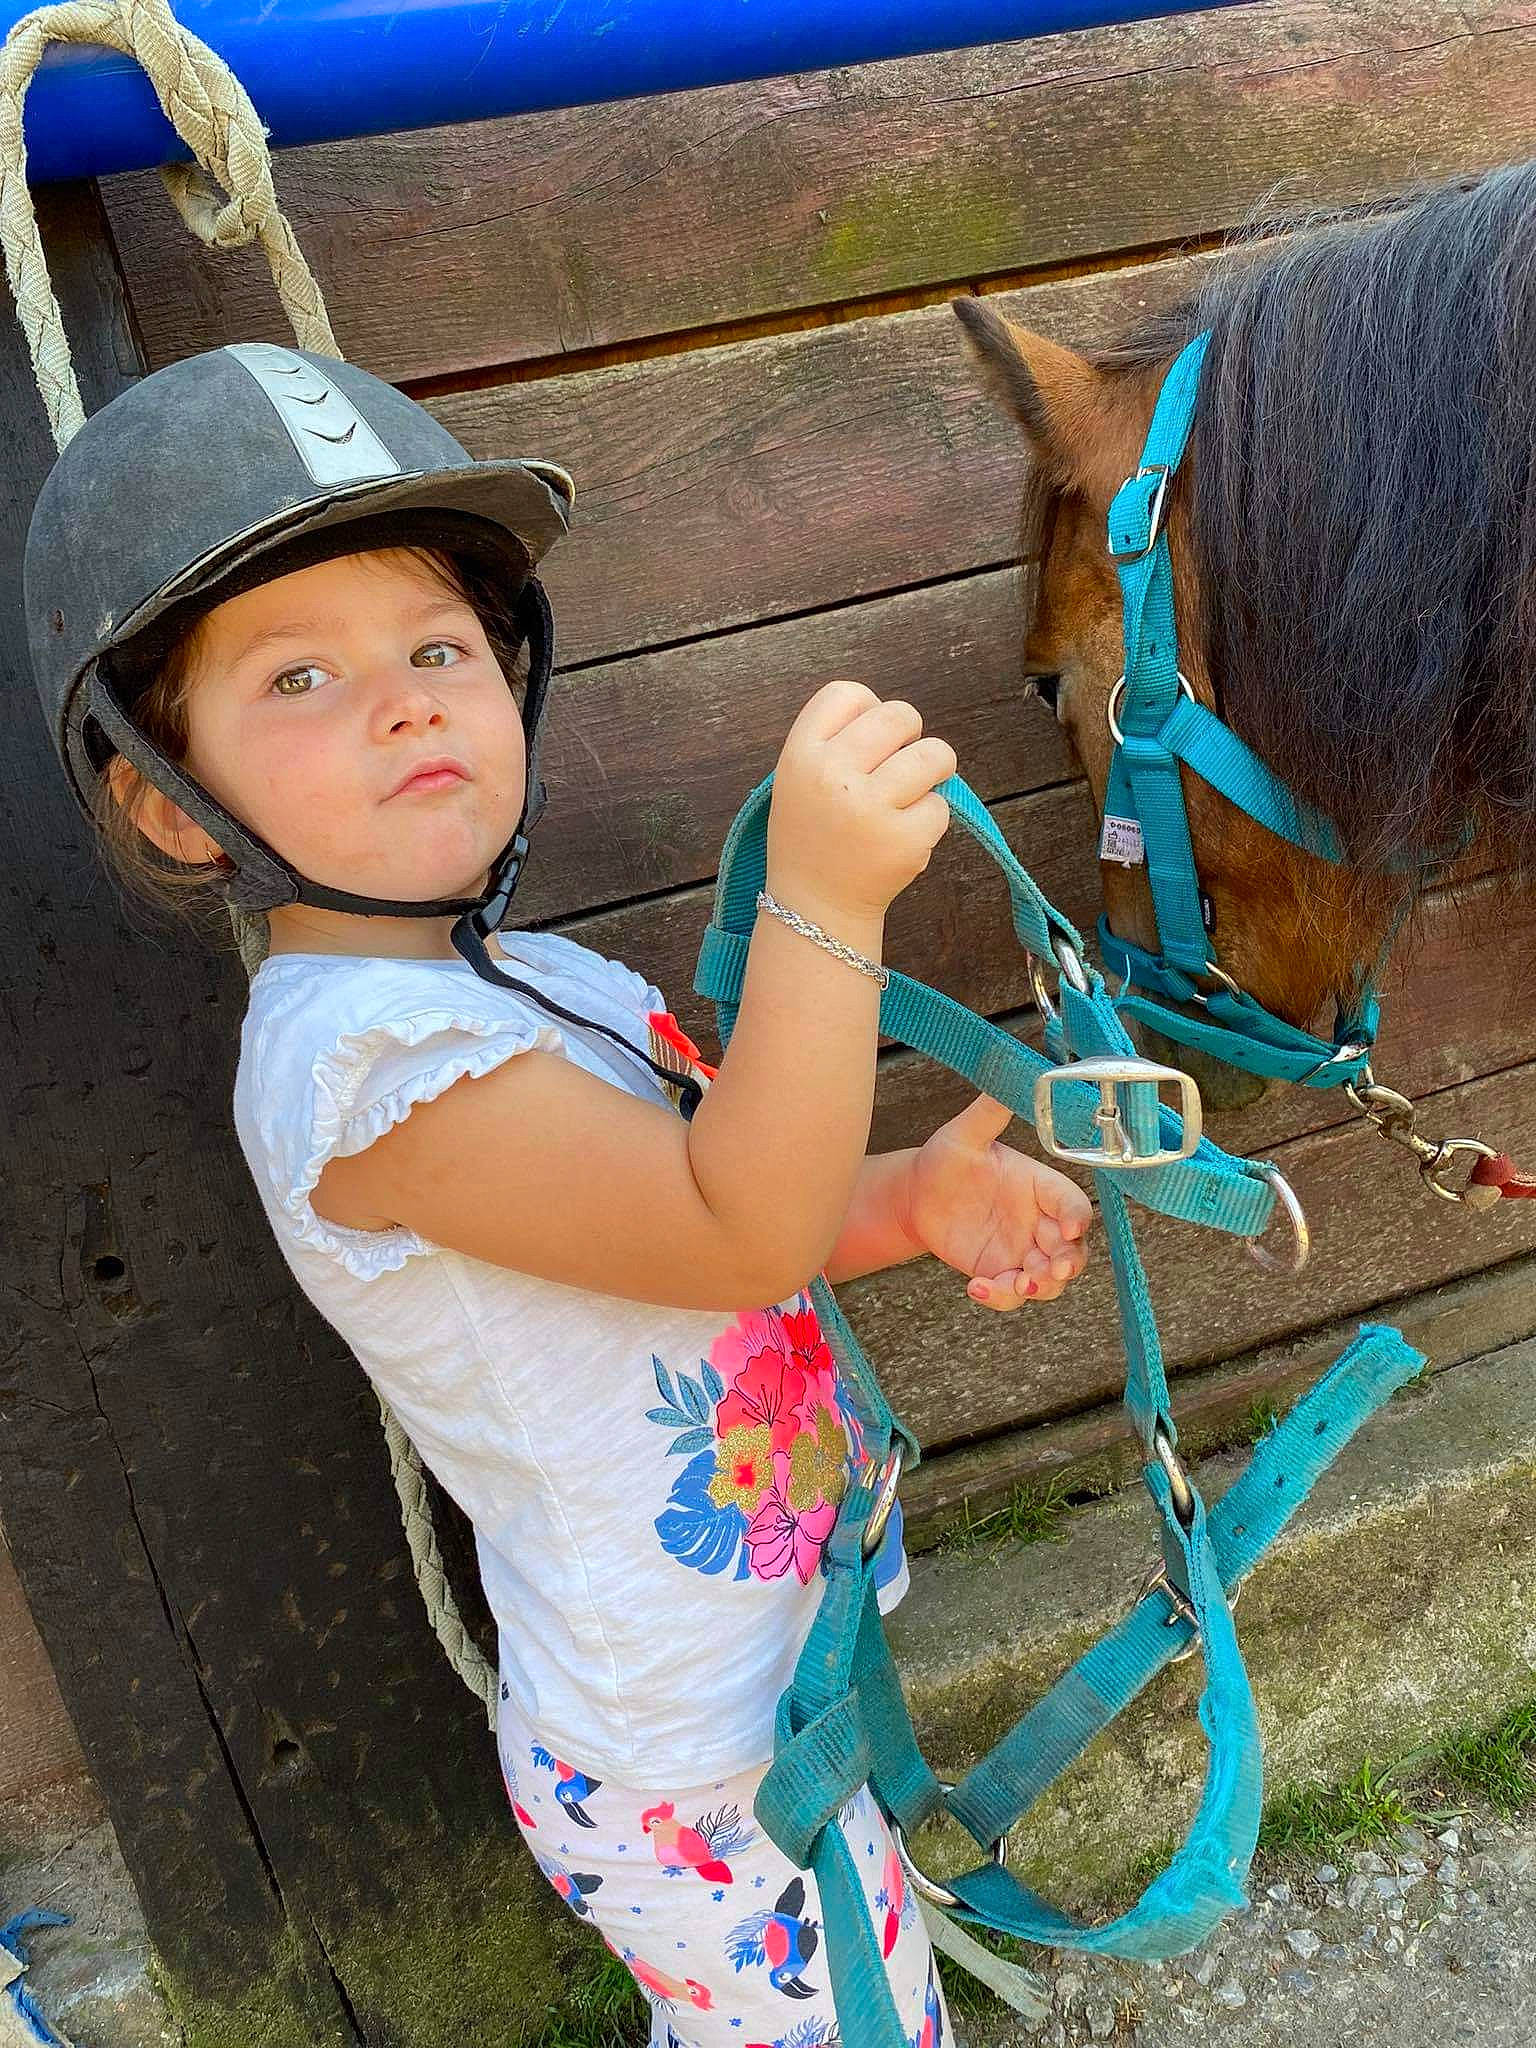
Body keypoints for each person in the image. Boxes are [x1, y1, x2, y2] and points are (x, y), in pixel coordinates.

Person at [27, 342, 1091, 2046]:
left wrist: (904, 1201)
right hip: (688, 1754)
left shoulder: (533, 980)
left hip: (776, 1670)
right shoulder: (357, 1067)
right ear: (172, 806)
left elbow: (711, 1207)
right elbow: (728, 1224)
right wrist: (821, 906)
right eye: (297, 678)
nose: (401, 698)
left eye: (438, 647)